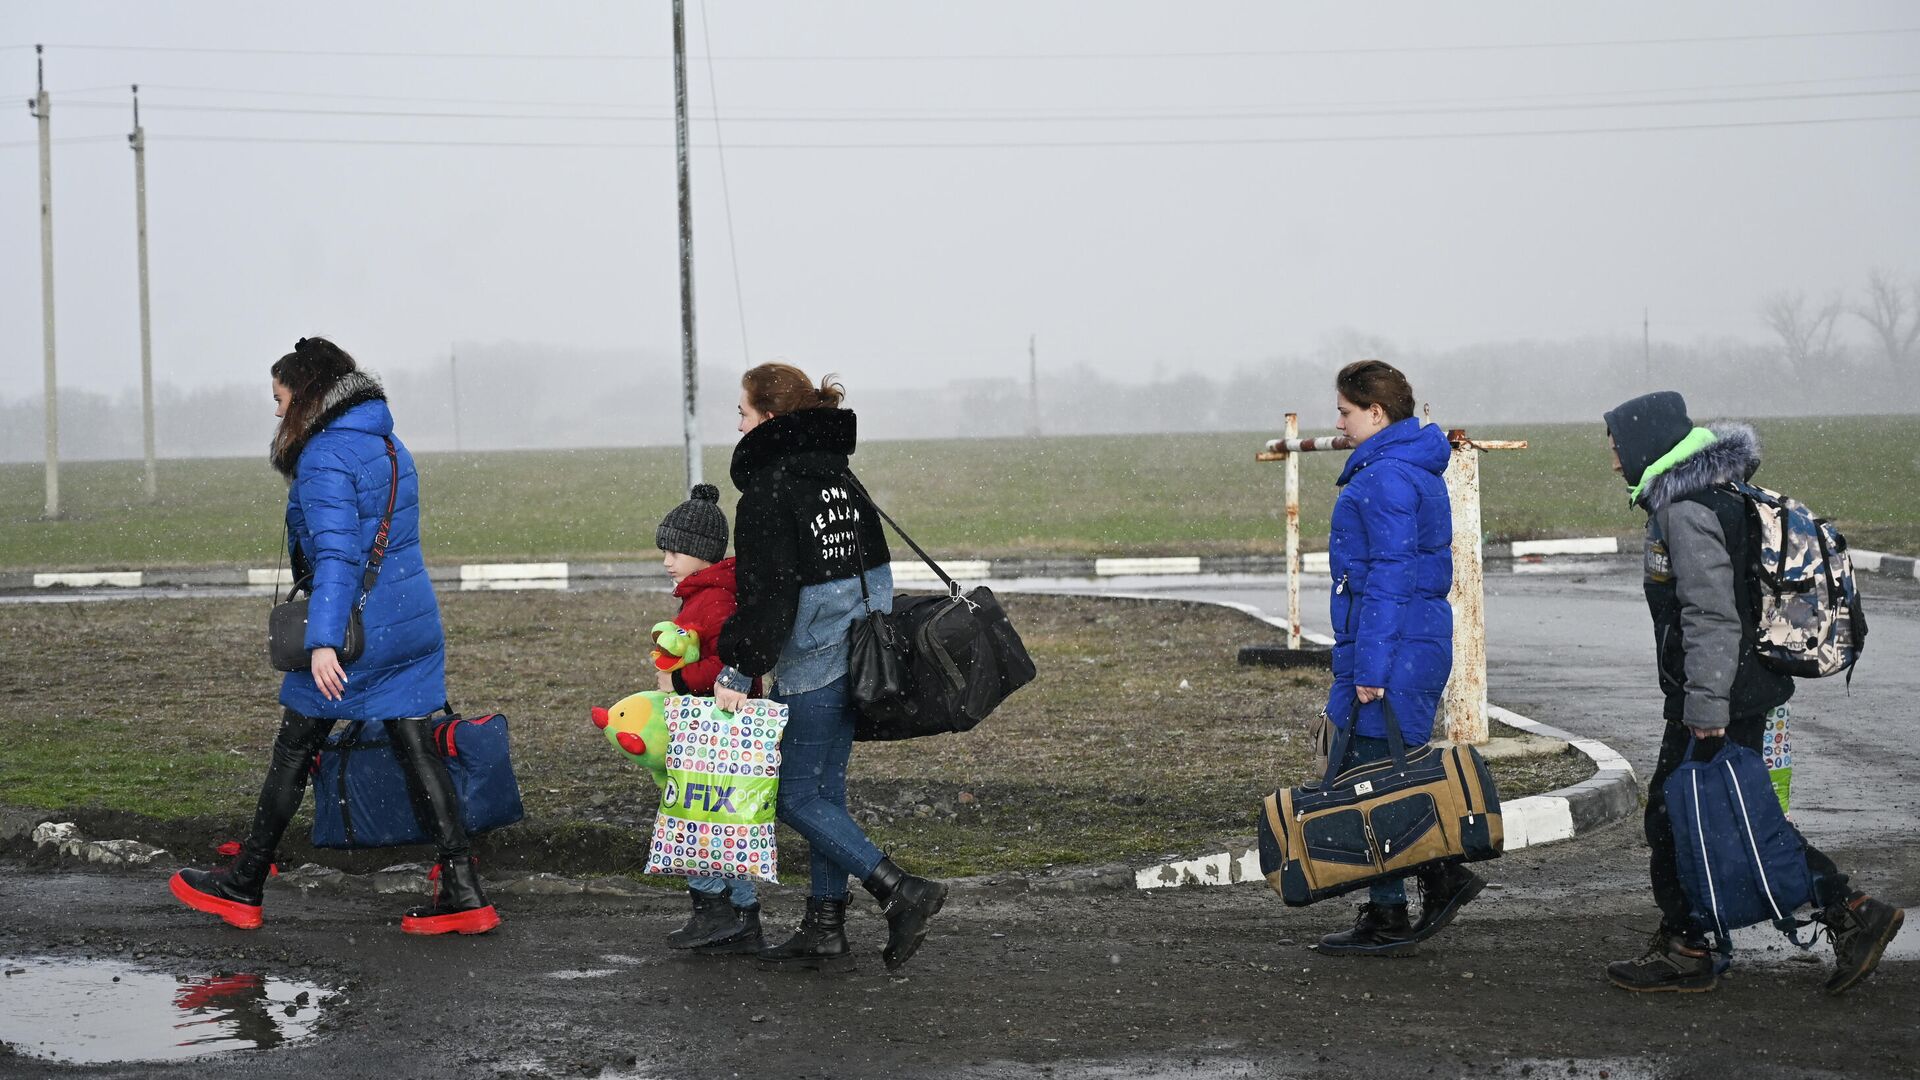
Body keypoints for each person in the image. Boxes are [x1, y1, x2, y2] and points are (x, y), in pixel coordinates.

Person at [168, 337, 498, 936]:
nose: (275, 411)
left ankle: (243, 885)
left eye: (279, 397)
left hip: (357, 632)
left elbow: (339, 556)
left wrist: (323, 642)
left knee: (295, 746)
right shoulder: (390, 445)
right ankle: (463, 890)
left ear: (309, 394)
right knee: (416, 746)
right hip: (412, 621)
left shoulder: (323, 457)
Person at [1602, 391, 1903, 994]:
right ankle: (1701, 937)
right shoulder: (1709, 493)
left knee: (1695, 820)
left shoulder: (1685, 506)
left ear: (1644, 443)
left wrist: (1705, 706)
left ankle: (1834, 914)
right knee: (1716, 817)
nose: (1613, 461)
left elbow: (1711, 615)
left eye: (1616, 446)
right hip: (1734, 686)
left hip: (1721, 694)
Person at [709, 362, 947, 972]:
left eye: (741, 412)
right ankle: (823, 923)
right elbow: (877, 571)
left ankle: (898, 890)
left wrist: (739, 669)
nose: (735, 423)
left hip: (813, 666)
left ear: (768, 417)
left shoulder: (768, 491)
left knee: (792, 798)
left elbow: (770, 596)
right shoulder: (839, 479)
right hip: (863, 659)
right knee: (824, 794)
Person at [1316, 359, 1484, 957]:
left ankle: (1402, 905)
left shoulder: (1386, 477)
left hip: (1394, 648)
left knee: (1372, 781)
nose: (1338, 422)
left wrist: (1370, 669)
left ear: (1377, 412)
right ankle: (1420, 888)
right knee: (1383, 775)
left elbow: (1390, 578)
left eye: (1345, 410)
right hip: (1407, 643)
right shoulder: (1403, 469)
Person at [652, 483, 764, 954]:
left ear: (702, 554)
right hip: (715, 728)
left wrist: (677, 682)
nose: (666, 561)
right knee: (721, 825)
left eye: (675, 551)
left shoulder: (714, 600)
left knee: (696, 820)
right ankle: (740, 917)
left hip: (714, 728)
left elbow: (727, 666)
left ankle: (716, 911)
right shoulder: (708, 593)